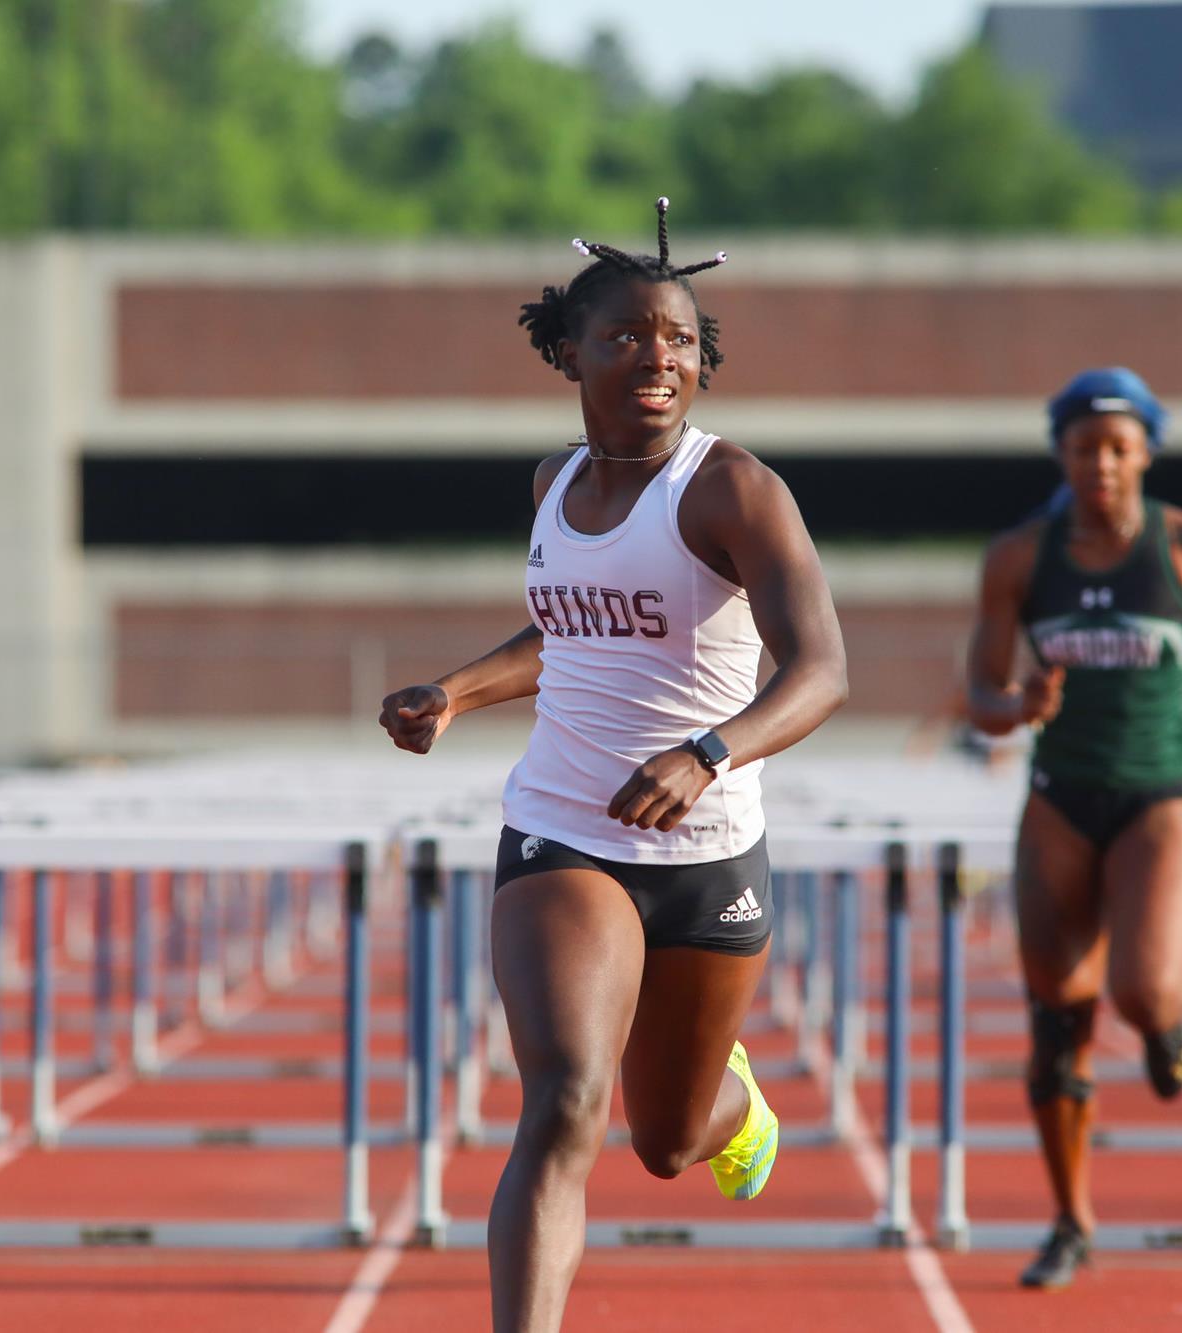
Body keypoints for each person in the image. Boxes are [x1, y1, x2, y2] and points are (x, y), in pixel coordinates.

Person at [378, 199, 846, 1333]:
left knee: (667, 1141)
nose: (656, 356)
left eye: (678, 338)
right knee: (563, 1099)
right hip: (564, 831)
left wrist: (706, 754)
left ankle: (735, 1107)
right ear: (570, 352)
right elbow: (569, 637)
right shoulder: (553, 485)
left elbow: (822, 670)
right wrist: (454, 691)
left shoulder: (732, 488)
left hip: (706, 845)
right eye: (628, 335)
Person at [966, 367, 1182, 1290]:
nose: (1100, 464)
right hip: (1062, 797)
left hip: (1157, 799)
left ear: (1146, 449)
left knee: (1143, 993)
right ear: (1061, 454)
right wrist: (1017, 703)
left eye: (1117, 447)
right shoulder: (1021, 556)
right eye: (1083, 448)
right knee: (1056, 1016)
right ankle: (1071, 1220)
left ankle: (1167, 1018)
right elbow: (982, 698)